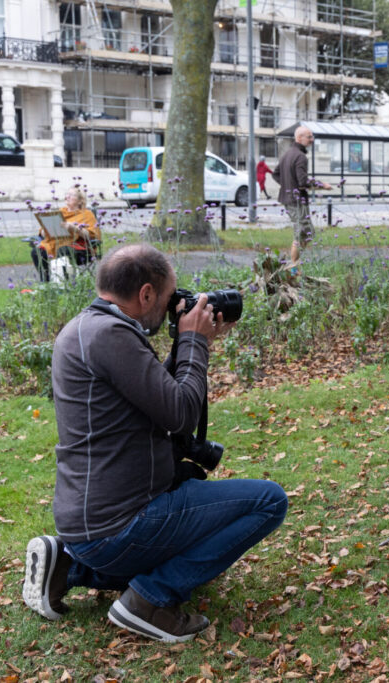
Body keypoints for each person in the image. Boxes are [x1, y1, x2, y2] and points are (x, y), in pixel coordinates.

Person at [22, 244, 288, 642]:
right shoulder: (111, 336)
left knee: (193, 549)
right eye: (168, 299)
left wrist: (192, 342)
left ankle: (68, 565)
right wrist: (194, 342)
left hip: (89, 524)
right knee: (269, 501)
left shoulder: (86, 328)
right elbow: (180, 411)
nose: (171, 308)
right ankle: (149, 601)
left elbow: (153, 396)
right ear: (146, 294)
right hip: (119, 525)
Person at [272, 125, 332, 265]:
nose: (312, 139)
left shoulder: (287, 154)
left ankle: (293, 263)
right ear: (299, 138)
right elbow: (303, 182)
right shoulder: (300, 157)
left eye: (312, 136)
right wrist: (322, 185)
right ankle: (292, 267)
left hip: (290, 199)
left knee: (308, 232)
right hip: (296, 201)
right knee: (301, 234)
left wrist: (288, 185)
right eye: (309, 137)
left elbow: (276, 174)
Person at [30, 188, 101, 282]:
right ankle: (46, 282)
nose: (67, 197)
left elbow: (91, 235)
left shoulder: (87, 214)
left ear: (80, 201)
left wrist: (74, 228)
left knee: (63, 250)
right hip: (55, 243)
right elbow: (43, 232)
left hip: (79, 247)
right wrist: (46, 229)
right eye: (67, 194)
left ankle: (64, 284)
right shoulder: (60, 212)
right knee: (37, 252)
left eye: (71, 195)